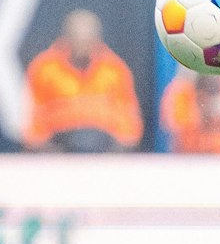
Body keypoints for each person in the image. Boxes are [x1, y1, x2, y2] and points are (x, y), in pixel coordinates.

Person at [23, 9, 144, 152]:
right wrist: (43, 147)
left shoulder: (115, 70)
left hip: (105, 148)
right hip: (58, 147)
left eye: (87, 41)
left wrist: (121, 147)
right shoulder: (44, 69)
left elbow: (128, 117)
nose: (82, 47)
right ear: (66, 38)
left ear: (96, 40)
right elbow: (34, 116)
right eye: (77, 39)